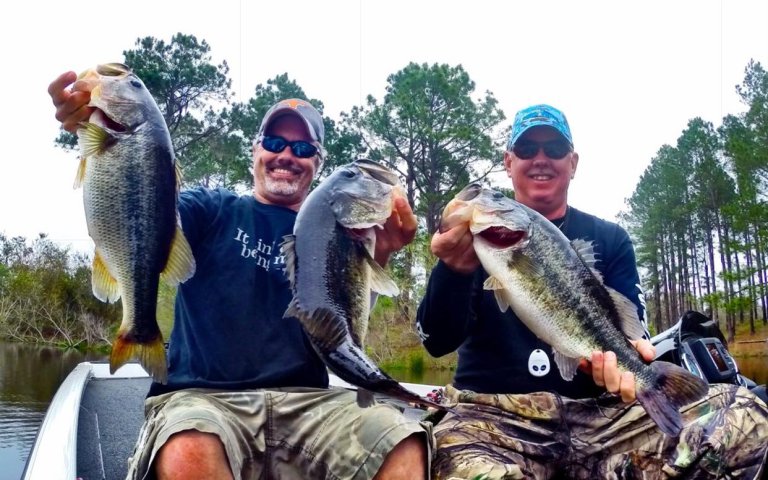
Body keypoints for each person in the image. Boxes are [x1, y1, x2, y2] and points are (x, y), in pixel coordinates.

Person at [49, 71, 433, 480]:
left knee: (401, 442)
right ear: (256, 151)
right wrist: (96, 133)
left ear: (317, 165)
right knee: (188, 450)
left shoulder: (338, 234)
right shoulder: (209, 209)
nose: (286, 154)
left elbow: (341, 327)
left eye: (302, 148)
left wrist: (383, 252)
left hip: (310, 404)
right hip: (203, 400)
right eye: (274, 143)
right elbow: (143, 211)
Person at [416, 104, 768, 479]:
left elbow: (632, 329)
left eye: (553, 149)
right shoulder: (473, 241)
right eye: (526, 149)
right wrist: (453, 271)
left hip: (599, 419)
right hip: (493, 418)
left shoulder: (610, 238)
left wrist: (632, 364)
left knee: (749, 416)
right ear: (508, 161)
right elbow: (437, 342)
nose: (540, 159)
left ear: (573, 162)